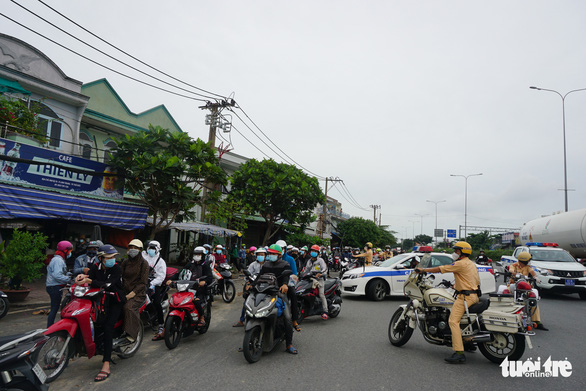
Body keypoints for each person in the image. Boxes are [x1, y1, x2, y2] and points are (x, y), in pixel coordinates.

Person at [416, 241, 480, 364]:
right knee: (462, 320)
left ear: (462, 252)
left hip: (465, 298)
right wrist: (455, 285)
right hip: (473, 295)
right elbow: (472, 280)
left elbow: (441, 269)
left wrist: (423, 270)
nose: (454, 253)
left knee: (453, 321)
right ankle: (467, 343)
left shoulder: (460, 263)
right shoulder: (471, 264)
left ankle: (459, 353)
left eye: (456, 251)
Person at [76, 244, 124, 382]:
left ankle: (106, 364)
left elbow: (107, 284)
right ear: (101, 258)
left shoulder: (116, 268)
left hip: (115, 300)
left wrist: (90, 280)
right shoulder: (95, 267)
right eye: (108, 257)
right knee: (95, 324)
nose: (111, 260)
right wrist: (80, 278)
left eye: (113, 257)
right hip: (100, 299)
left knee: (108, 328)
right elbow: (88, 278)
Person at [258, 244, 297, 354]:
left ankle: (289, 344)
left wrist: (285, 284)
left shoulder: (285, 264)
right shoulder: (266, 264)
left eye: (273, 253)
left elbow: (286, 277)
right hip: (265, 292)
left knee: (287, 317)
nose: (271, 255)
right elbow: (259, 277)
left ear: (279, 255)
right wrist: (250, 284)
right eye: (270, 253)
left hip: (279, 293)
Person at [167, 246, 213, 326]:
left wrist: (204, 282)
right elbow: (180, 273)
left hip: (199, 290)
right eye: (195, 254)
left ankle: (201, 317)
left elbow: (209, 277)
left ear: (203, 255)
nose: (197, 256)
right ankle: (164, 330)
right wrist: (171, 279)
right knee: (175, 302)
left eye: (199, 254)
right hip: (187, 288)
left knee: (196, 301)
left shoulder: (205, 266)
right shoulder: (190, 264)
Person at [508, 252, 548, 331]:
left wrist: (536, 277)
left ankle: (537, 322)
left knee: (533, 300)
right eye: (528, 260)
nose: (528, 262)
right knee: (506, 295)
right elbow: (511, 270)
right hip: (514, 286)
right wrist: (515, 274)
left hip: (526, 287)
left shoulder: (528, 267)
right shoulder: (514, 265)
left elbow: (533, 273)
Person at [120, 239, 149, 342]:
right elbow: (121, 276)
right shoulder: (125, 262)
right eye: (131, 247)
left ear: (140, 250)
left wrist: (132, 294)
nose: (133, 250)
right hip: (124, 291)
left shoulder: (144, 264)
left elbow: (143, 283)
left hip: (137, 294)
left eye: (135, 248)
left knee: (129, 307)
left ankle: (132, 334)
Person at [233, 247, 266, 327]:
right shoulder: (253, 265)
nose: (260, 256)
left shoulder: (268, 265)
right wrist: (248, 283)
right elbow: (247, 276)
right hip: (253, 285)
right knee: (247, 302)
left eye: (262, 255)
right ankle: (241, 320)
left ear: (265, 256)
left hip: (265, 286)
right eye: (259, 255)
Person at [143, 240, 168, 340]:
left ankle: (161, 325)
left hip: (154, 283)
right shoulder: (143, 256)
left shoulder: (161, 262)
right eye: (150, 248)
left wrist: (151, 284)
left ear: (158, 249)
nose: (151, 250)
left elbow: (161, 277)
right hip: (142, 282)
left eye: (154, 248)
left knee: (157, 302)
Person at [46, 240, 73, 327]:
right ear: (65, 251)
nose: (70, 253)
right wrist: (69, 279)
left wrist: (69, 274)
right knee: (54, 309)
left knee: (55, 308)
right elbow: (57, 275)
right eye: (69, 251)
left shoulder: (58, 259)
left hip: (53, 286)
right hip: (55, 287)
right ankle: (50, 329)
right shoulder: (58, 260)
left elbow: (60, 273)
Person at [276, 240, 300, 331]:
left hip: (287, 284)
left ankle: (294, 320)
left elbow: (294, 274)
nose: (280, 251)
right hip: (274, 284)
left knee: (293, 295)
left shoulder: (290, 259)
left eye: (282, 249)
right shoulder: (270, 260)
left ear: (285, 249)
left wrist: (286, 283)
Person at [302, 244, 329, 320]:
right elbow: (306, 270)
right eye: (312, 251)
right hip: (310, 279)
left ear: (318, 253)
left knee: (321, 294)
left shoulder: (320, 260)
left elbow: (325, 269)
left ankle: (325, 311)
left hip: (319, 280)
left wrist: (320, 274)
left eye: (315, 251)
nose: (313, 252)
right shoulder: (309, 261)